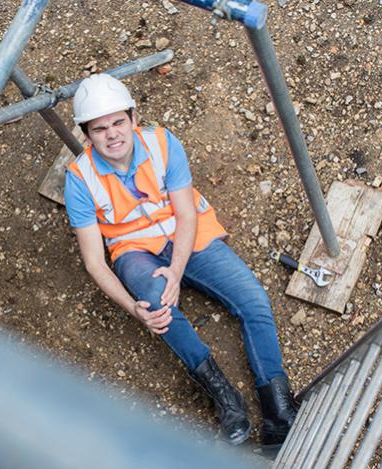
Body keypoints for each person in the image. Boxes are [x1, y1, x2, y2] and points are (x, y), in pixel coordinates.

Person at [64, 73, 298, 446]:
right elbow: (94, 261)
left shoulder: (161, 143)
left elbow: (186, 214)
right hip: (135, 251)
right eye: (99, 128)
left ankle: (278, 413)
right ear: (87, 135)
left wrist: (176, 269)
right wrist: (133, 309)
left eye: (118, 122)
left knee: (253, 300)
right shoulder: (79, 178)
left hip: (188, 235)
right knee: (157, 308)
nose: (112, 135)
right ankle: (227, 399)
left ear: (133, 118)